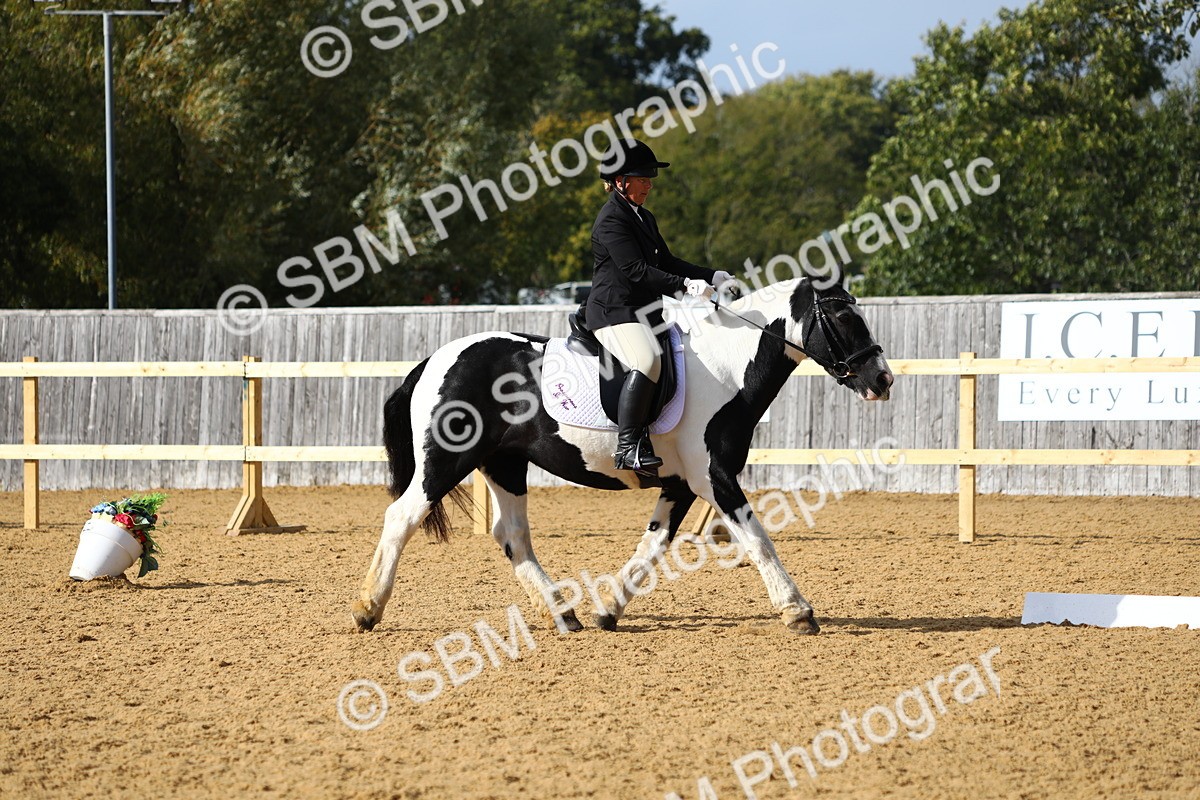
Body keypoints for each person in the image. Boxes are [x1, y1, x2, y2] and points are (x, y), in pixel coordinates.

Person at [586, 138, 734, 472]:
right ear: (621, 181)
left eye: (650, 178)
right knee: (648, 359)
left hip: (644, 313)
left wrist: (711, 274)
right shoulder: (611, 220)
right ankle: (628, 446)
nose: (650, 184)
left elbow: (665, 260)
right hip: (614, 314)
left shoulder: (644, 217)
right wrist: (684, 286)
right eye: (643, 178)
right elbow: (636, 271)